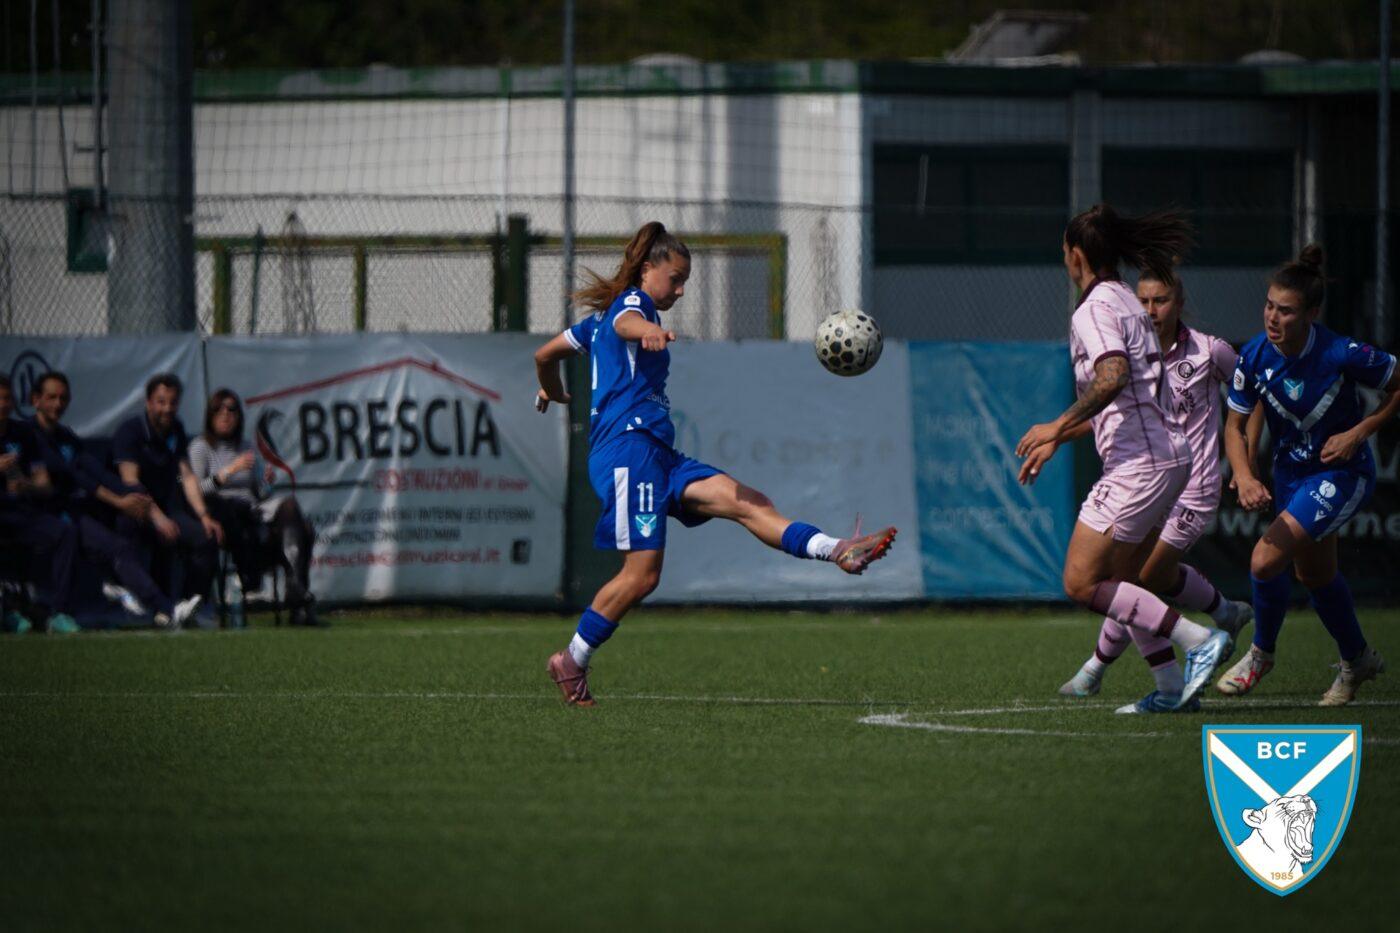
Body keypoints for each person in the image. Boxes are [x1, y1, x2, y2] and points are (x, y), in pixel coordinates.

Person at [533, 221, 897, 706]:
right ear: (647, 270)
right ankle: (572, 661)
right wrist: (648, 330)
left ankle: (837, 550)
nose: (680, 290)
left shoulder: (594, 323)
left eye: (685, 281)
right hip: (627, 452)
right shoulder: (632, 305)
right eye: (675, 279)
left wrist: (550, 388)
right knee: (641, 575)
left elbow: (545, 354)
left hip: (656, 454)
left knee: (747, 502)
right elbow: (627, 322)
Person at [1015, 203, 1232, 713]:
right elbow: (1128, 390)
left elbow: (1112, 376)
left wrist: (1056, 425)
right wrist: (1063, 436)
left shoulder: (1095, 309)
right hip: (1165, 456)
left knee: (1081, 582)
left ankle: (1201, 640)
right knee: (1125, 584)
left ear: (1076, 255)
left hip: (1141, 464)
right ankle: (1171, 689)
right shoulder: (1127, 301)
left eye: (1064, 252)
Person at [1042, 270, 1257, 706]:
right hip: (1149, 482)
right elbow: (1104, 418)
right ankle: (1199, 642)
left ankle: (1119, 665)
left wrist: (1243, 465)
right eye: (1142, 301)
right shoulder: (1134, 356)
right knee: (1129, 579)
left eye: (1160, 300)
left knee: (1135, 577)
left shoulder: (1208, 350)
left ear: (1179, 304)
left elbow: (1249, 394)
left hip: (1192, 485)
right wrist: (1056, 436)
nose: (1150, 310)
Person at [1219, 244, 1398, 706]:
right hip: (1291, 475)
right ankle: (1357, 659)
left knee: (1264, 560)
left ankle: (1260, 655)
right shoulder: (1254, 355)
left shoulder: (1341, 352)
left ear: (1312, 314)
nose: (1272, 318)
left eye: (1286, 311)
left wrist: (1360, 432)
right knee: (1315, 574)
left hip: (1342, 473)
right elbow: (1235, 425)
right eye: (1269, 306)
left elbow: (1398, 386)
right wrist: (1245, 473)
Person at [27, 371, 202, 629]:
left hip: (70, 511)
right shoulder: (27, 434)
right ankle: (62, 610)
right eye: (51, 397)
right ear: (35, 400)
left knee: (122, 543)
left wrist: (135, 497)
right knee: (94, 531)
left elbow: (97, 472)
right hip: (38, 515)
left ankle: (160, 604)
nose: (58, 404)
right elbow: (77, 477)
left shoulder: (66, 437)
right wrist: (122, 503)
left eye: (63, 398)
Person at [187, 388, 321, 626]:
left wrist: (266, 481)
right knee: (302, 531)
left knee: (293, 511)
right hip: (223, 510)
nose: (226, 414)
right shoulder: (200, 446)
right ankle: (298, 603)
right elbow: (195, 489)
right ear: (210, 415)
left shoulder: (246, 446)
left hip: (253, 509)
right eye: (219, 409)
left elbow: (259, 493)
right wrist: (229, 471)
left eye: (232, 409)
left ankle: (295, 589)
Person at [111, 373, 223, 628]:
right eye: (161, 402)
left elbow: (186, 475)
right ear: (149, 402)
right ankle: (153, 605)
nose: (167, 408)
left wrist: (204, 516)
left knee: (206, 537)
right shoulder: (130, 432)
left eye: (173, 402)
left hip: (165, 509)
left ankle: (187, 606)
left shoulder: (176, 430)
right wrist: (158, 518)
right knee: (142, 533)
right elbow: (130, 482)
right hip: (132, 510)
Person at [0, 374, 80, 633]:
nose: (2, 404)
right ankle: (7, 610)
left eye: (6, 398)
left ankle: (59, 612)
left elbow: (44, 484)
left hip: (19, 512)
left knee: (64, 531)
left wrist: (25, 484)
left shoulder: (22, 433)